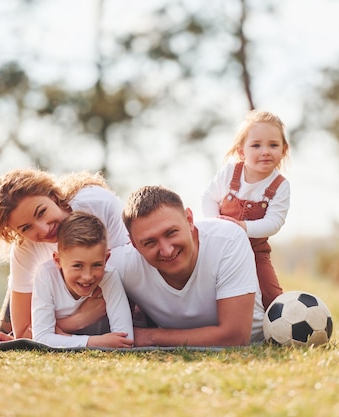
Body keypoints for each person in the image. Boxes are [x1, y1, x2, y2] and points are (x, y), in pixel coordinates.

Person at [0, 168, 129, 340]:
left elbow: (133, 266)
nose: (43, 230)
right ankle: (3, 325)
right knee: (11, 325)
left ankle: (4, 326)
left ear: (53, 197)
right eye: (26, 228)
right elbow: (24, 331)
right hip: (54, 300)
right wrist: (80, 319)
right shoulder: (25, 249)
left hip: (99, 297)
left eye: (41, 212)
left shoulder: (97, 204)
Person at [107, 185, 265, 347]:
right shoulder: (122, 262)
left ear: (189, 220)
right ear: (133, 244)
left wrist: (150, 337)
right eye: (150, 242)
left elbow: (235, 337)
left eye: (171, 233)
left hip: (254, 341)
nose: (167, 251)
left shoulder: (227, 239)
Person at [201, 110, 290, 309]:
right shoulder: (231, 172)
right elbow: (209, 198)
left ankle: (280, 323)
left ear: (284, 150)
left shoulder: (280, 185)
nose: (265, 151)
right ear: (242, 152)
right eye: (256, 145)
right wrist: (216, 224)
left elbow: (273, 223)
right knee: (206, 287)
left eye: (273, 145)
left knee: (271, 293)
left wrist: (242, 227)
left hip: (255, 251)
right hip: (220, 248)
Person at [31, 211, 134, 348]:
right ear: (57, 260)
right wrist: (95, 342)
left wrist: (61, 337)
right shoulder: (46, 275)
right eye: (77, 266)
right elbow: (41, 338)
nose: (87, 276)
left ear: (106, 259)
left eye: (97, 265)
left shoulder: (109, 276)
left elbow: (124, 339)